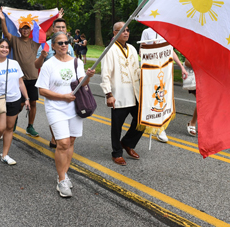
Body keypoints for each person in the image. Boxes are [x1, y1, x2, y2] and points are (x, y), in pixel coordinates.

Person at [36, 32, 94, 197]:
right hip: (56, 108)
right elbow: (42, 90)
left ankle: (64, 173)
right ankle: (61, 180)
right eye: (59, 43)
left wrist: (88, 77)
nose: (63, 45)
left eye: (66, 42)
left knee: (71, 141)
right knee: (62, 143)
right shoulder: (48, 65)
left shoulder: (76, 62)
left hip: (74, 108)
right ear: (53, 46)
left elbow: (83, 82)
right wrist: (63, 97)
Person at [101, 22, 143, 166]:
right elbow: (105, 74)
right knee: (117, 126)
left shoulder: (132, 48)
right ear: (115, 33)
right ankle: (117, 153)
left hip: (134, 93)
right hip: (119, 95)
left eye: (127, 30)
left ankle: (127, 143)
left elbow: (136, 69)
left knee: (142, 120)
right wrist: (108, 94)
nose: (125, 33)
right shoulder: (109, 50)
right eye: (122, 30)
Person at [0, 6, 41, 137]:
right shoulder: (15, 40)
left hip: (33, 77)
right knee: (20, 104)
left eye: (27, 28)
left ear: (30, 30)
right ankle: (13, 120)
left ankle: (30, 126)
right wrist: (3, 19)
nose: (25, 30)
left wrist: (57, 18)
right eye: (23, 28)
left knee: (33, 103)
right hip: (19, 79)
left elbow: (48, 33)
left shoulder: (35, 42)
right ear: (20, 30)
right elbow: (5, 32)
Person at [0, 38, 30, 165]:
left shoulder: (14, 63)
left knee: (10, 128)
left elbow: (20, 82)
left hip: (14, 99)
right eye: (2, 47)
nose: (4, 49)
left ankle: (5, 155)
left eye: (6, 47)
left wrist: (26, 98)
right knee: (0, 128)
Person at [140, 27, 188, 143]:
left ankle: (161, 127)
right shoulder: (147, 32)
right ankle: (152, 123)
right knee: (153, 97)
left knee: (163, 98)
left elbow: (171, 50)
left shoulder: (166, 31)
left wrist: (182, 68)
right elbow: (141, 51)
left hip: (165, 69)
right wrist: (153, 48)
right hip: (152, 69)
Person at [35, 17, 75, 148]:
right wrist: (42, 56)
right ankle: (56, 138)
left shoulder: (68, 45)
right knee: (56, 116)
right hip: (52, 88)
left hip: (67, 86)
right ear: (53, 29)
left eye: (63, 27)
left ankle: (60, 139)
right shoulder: (45, 45)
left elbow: (73, 64)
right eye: (58, 27)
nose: (61, 29)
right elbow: (36, 65)